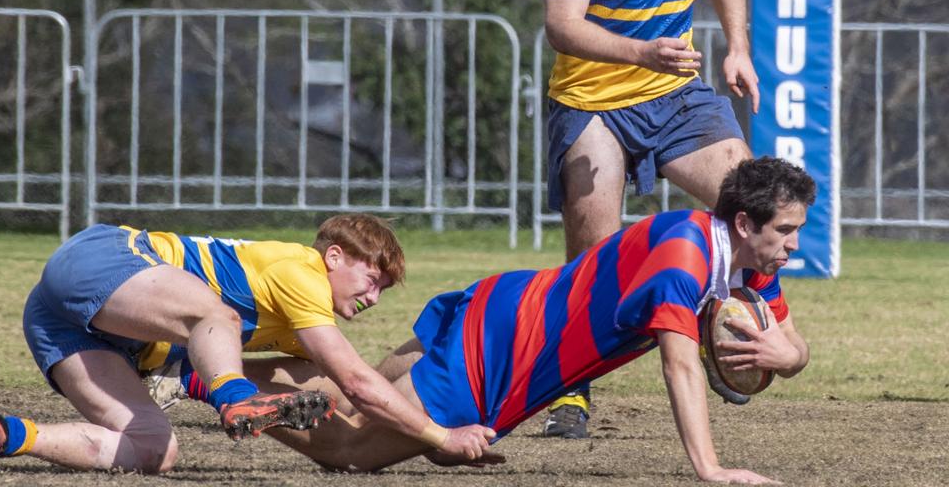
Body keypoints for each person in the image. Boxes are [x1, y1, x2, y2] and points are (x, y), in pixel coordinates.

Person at [241, 157, 813, 483]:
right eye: (785, 231)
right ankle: (204, 375)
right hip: (498, 353)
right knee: (352, 450)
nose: (792, 246)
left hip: (505, 303)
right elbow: (680, 369)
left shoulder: (746, 264)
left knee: (354, 396)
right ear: (743, 223)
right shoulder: (684, 260)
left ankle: (211, 368)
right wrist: (709, 469)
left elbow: (793, 347)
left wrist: (788, 357)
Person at [537, 0, 760, 437]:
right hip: (593, 102)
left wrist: (737, 46)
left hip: (676, 95)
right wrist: (643, 53)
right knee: (593, 255)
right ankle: (569, 385)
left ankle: (725, 340)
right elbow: (562, 26)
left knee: (752, 206)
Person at [0, 214, 496, 473]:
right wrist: (440, 437)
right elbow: (355, 379)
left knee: (153, 449)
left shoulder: (305, 323)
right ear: (334, 257)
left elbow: (345, 392)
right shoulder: (302, 272)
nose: (374, 296)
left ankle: (6, 433)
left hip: (66, 325)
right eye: (372, 279)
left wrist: (367, 441)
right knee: (219, 313)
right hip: (98, 259)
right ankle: (228, 393)